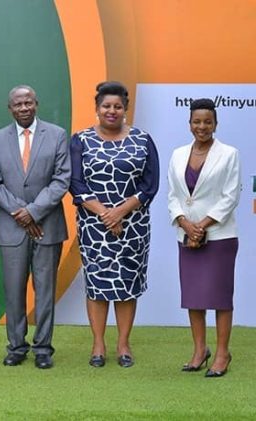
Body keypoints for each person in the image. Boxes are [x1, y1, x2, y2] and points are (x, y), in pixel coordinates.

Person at [69, 81, 159, 368]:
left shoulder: (143, 140)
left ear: (125, 109)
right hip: (94, 226)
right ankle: (98, 344)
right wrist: (105, 215)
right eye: (106, 106)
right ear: (97, 108)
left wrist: (119, 212)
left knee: (127, 282)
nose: (112, 111)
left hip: (133, 225)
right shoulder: (80, 140)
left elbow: (150, 184)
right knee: (97, 283)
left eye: (117, 106)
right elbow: (76, 183)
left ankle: (123, 344)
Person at [0, 85, 71, 369]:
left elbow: (61, 179)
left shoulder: (57, 135)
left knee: (45, 290)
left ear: (36, 104)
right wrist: (21, 214)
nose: (23, 108)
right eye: (18, 104)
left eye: (28, 103)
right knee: (13, 291)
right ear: (9, 108)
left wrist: (33, 212)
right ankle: (16, 346)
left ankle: (43, 348)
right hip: (12, 228)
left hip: (47, 225)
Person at [167, 98, 240, 377]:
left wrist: (202, 225)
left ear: (215, 124)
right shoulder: (177, 154)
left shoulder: (229, 154)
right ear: (189, 124)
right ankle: (200, 350)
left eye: (207, 122)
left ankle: (222, 354)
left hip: (220, 236)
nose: (202, 126)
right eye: (197, 121)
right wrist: (186, 224)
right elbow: (173, 196)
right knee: (194, 296)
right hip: (187, 236)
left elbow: (230, 197)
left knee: (220, 297)